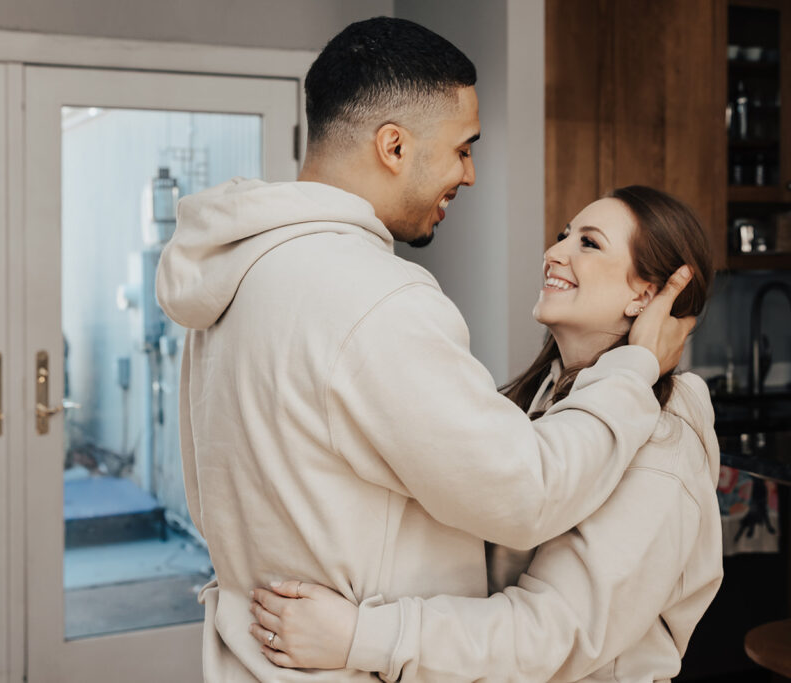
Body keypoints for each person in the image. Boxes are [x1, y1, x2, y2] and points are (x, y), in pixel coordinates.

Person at [155, 18, 695, 683]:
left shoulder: (240, 277)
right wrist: (637, 366)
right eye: (463, 148)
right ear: (393, 146)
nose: (468, 175)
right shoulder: (375, 299)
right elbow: (528, 493)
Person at [248, 186, 723, 682]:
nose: (554, 252)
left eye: (589, 243)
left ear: (644, 296)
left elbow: (554, 632)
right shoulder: (546, 398)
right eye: (564, 236)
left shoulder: (665, 434)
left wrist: (360, 637)